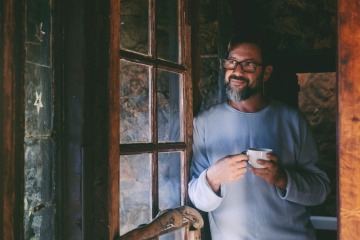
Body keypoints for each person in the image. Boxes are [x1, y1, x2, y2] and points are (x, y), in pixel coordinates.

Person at [188, 34, 330, 240]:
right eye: (232, 62)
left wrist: (282, 178)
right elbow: (197, 199)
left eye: (249, 65)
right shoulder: (204, 122)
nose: (237, 71)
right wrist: (213, 177)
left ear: (266, 73)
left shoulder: (292, 120)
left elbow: (321, 191)